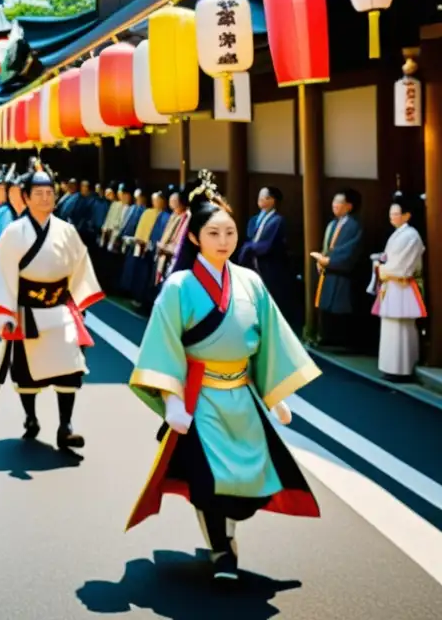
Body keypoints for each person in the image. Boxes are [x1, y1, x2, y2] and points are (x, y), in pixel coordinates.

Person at [126, 171, 321, 581]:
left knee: (246, 483)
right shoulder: (179, 286)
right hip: (202, 398)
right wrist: (173, 402)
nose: (224, 240)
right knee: (209, 478)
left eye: (230, 232)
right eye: (213, 233)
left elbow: (269, 341)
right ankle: (221, 551)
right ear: (195, 237)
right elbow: (164, 347)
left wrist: (275, 395)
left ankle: (225, 536)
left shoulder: (250, 281)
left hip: (242, 396)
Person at [0, 165, 104, 449]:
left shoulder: (66, 231)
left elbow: (79, 266)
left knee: (70, 369)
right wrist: (4, 314)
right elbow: (3, 273)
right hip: (28, 311)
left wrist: (78, 304)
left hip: (60, 310)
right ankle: (31, 417)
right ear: (26, 196)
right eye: (39, 193)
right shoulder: (14, 232)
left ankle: (65, 425)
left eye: (49, 193)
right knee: (25, 373)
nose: (45, 198)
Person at [370, 193, 426, 381]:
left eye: (395, 213)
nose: (391, 216)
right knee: (390, 326)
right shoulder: (399, 234)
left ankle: (403, 368)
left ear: (407, 215)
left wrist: (382, 267)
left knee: (402, 327)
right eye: (391, 213)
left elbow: (402, 266)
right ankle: (390, 367)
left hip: (402, 286)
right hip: (392, 286)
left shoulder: (411, 236)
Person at [313, 189, 364, 347]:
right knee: (327, 304)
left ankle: (342, 341)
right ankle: (326, 337)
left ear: (349, 206)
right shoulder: (332, 224)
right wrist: (321, 260)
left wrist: (328, 260)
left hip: (342, 273)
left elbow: (350, 250)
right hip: (329, 271)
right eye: (334, 201)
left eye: (339, 202)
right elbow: (326, 246)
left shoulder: (354, 226)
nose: (334, 205)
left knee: (341, 305)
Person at [237, 187, 290, 314]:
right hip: (253, 263)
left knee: (269, 296)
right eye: (259, 197)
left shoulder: (278, 220)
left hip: (269, 265)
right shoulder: (255, 219)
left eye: (265, 197)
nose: (261, 200)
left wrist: (249, 248)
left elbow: (267, 244)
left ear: (273, 200)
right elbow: (250, 236)